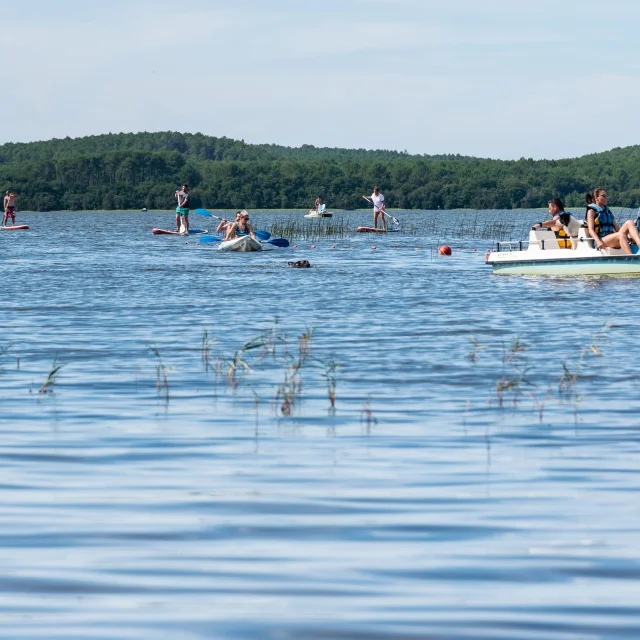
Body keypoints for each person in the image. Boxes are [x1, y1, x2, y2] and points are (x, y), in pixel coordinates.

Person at [585, 189, 640, 254]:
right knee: (621, 235)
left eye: (606, 196)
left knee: (629, 222)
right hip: (602, 240)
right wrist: (597, 241)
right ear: (596, 197)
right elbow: (591, 230)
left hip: (612, 237)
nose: (606, 197)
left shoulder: (607, 211)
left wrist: (627, 238)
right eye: (604, 196)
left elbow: (616, 228)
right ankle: (631, 258)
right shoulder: (591, 211)